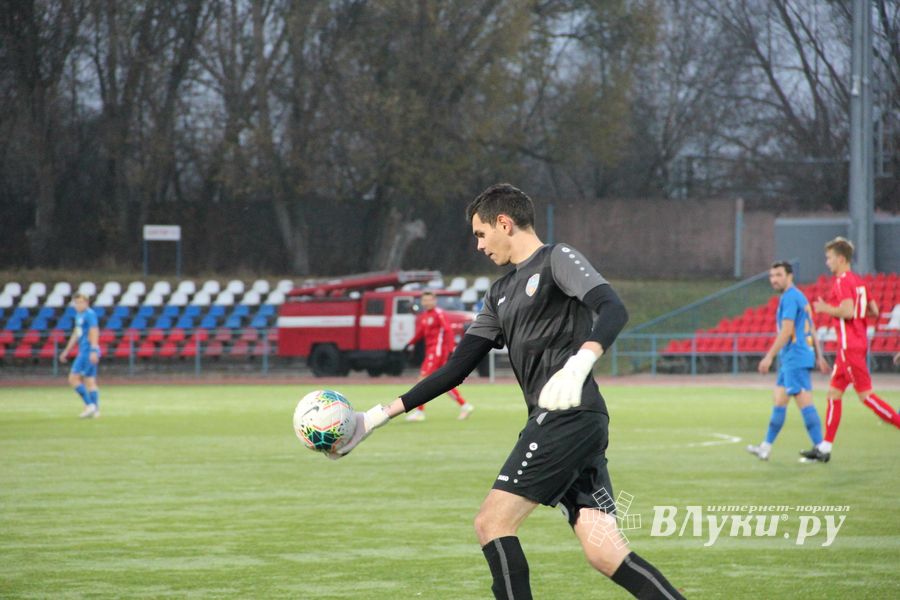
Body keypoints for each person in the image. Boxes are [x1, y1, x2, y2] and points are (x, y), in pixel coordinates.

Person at [331, 184, 685, 599]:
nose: (478, 245)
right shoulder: (499, 294)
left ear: (505, 223)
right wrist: (373, 417)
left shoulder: (557, 260)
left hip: (568, 417)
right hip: (566, 424)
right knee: (605, 552)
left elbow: (613, 308)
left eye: (481, 234)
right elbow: (456, 369)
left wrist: (581, 362)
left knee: (491, 523)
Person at [800, 237, 900, 463]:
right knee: (834, 394)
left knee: (866, 396)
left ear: (841, 258)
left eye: (829, 258)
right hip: (853, 345)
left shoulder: (842, 281)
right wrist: (855, 315)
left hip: (849, 348)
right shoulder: (859, 281)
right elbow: (873, 310)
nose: (827, 262)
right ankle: (824, 448)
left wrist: (826, 308)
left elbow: (846, 311)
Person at [747, 262, 829, 461]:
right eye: (771, 276)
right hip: (795, 357)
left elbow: (786, 331)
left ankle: (821, 449)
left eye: (778, 275)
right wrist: (819, 355)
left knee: (804, 403)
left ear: (789, 276)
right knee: (779, 401)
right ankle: (765, 447)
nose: (774, 279)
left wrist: (769, 356)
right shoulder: (798, 297)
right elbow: (812, 327)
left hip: (795, 357)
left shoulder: (791, 297)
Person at [403, 290, 474, 421]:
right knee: (443, 382)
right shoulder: (425, 315)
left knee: (422, 379)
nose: (427, 302)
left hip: (437, 352)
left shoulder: (438, 314)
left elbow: (448, 330)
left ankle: (419, 412)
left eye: (429, 300)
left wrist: (451, 348)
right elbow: (421, 332)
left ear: (434, 301)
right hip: (431, 351)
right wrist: (410, 343)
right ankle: (465, 405)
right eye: (424, 300)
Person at [59, 292, 101, 418]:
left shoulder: (89, 314)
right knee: (90, 381)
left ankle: (90, 405)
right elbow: (76, 334)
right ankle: (95, 410)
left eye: (80, 302)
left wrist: (93, 350)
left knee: (73, 379)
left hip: (87, 351)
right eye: (76, 303)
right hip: (84, 350)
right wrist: (67, 350)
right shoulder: (79, 315)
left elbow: (94, 331)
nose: (78, 305)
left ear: (87, 303)